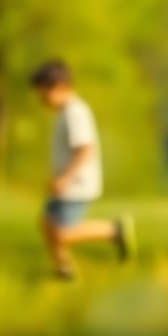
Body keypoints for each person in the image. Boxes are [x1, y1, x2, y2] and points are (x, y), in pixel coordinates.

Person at [29, 58, 136, 281]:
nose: (41, 100)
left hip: (77, 185)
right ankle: (64, 269)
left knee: (63, 232)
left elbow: (87, 149)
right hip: (68, 183)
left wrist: (65, 179)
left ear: (59, 87)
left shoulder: (75, 112)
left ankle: (114, 231)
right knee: (47, 223)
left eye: (44, 94)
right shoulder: (66, 112)